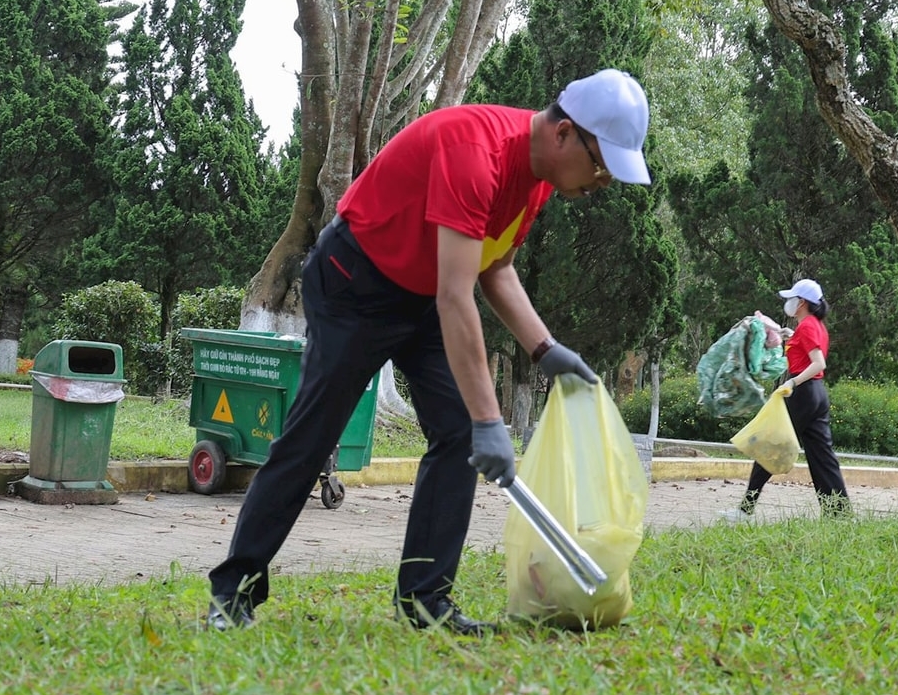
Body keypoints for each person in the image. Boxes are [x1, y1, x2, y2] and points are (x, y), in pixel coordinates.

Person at [204, 69, 652, 635]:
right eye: (601, 162)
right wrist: (492, 419)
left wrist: (544, 349)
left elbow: (496, 268)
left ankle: (424, 601)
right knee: (314, 436)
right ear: (565, 133)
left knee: (459, 435)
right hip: (355, 283)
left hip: (423, 293)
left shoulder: (538, 180)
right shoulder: (478, 153)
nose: (603, 180)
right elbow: (456, 294)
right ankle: (234, 591)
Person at [730, 278, 850, 519]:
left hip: (802, 393)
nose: (789, 303)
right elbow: (807, 349)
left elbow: (818, 363)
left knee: (768, 446)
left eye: (792, 299)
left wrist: (792, 382)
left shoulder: (807, 327)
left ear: (802, 302)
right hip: (817, 395)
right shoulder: (815, 325)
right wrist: (787, 335)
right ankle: (840, 515)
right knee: (823, 457)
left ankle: (744, 510)